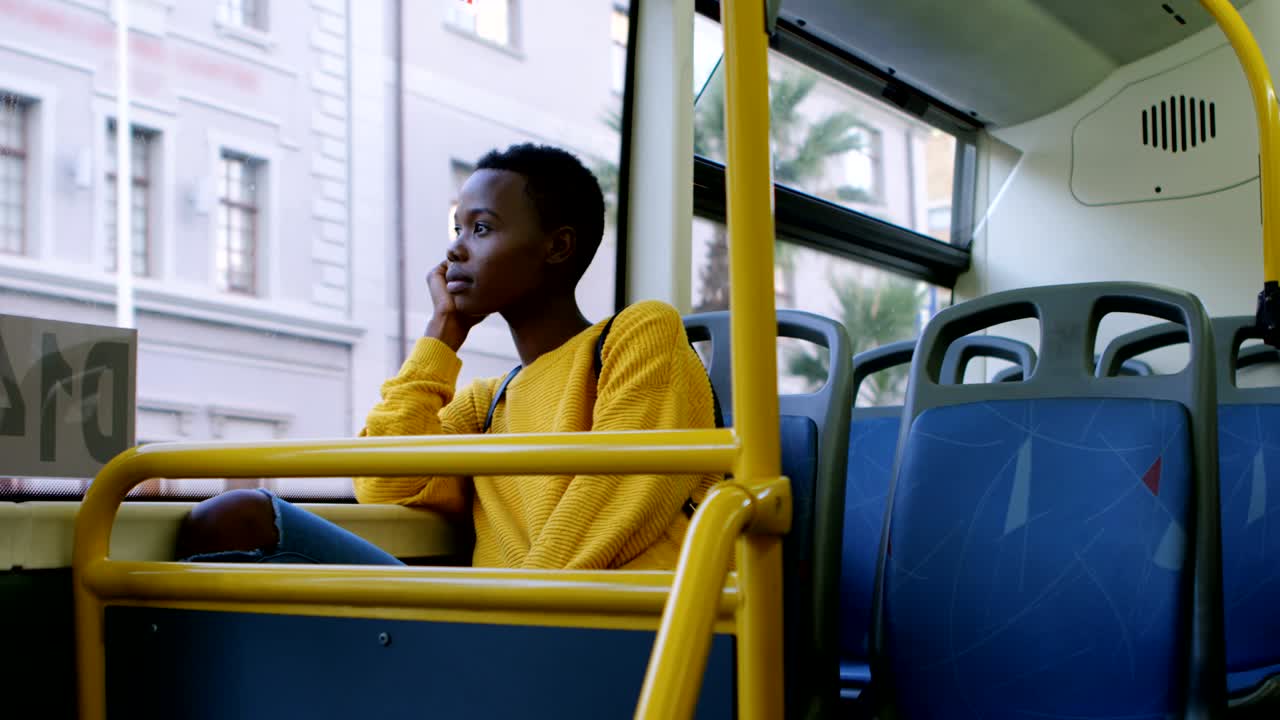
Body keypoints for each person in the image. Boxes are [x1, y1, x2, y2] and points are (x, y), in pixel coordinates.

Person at [176, 143, 722, 570]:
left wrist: (499, 619)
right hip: (503, 623)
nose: (455, 248)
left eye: (481, 228)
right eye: (456, 229)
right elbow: (384, 483)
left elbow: (613, 512)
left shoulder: (638, 334)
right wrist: (441, 337)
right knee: (237, 518)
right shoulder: (489, 404)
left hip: (598, 629)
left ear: (557, 247)